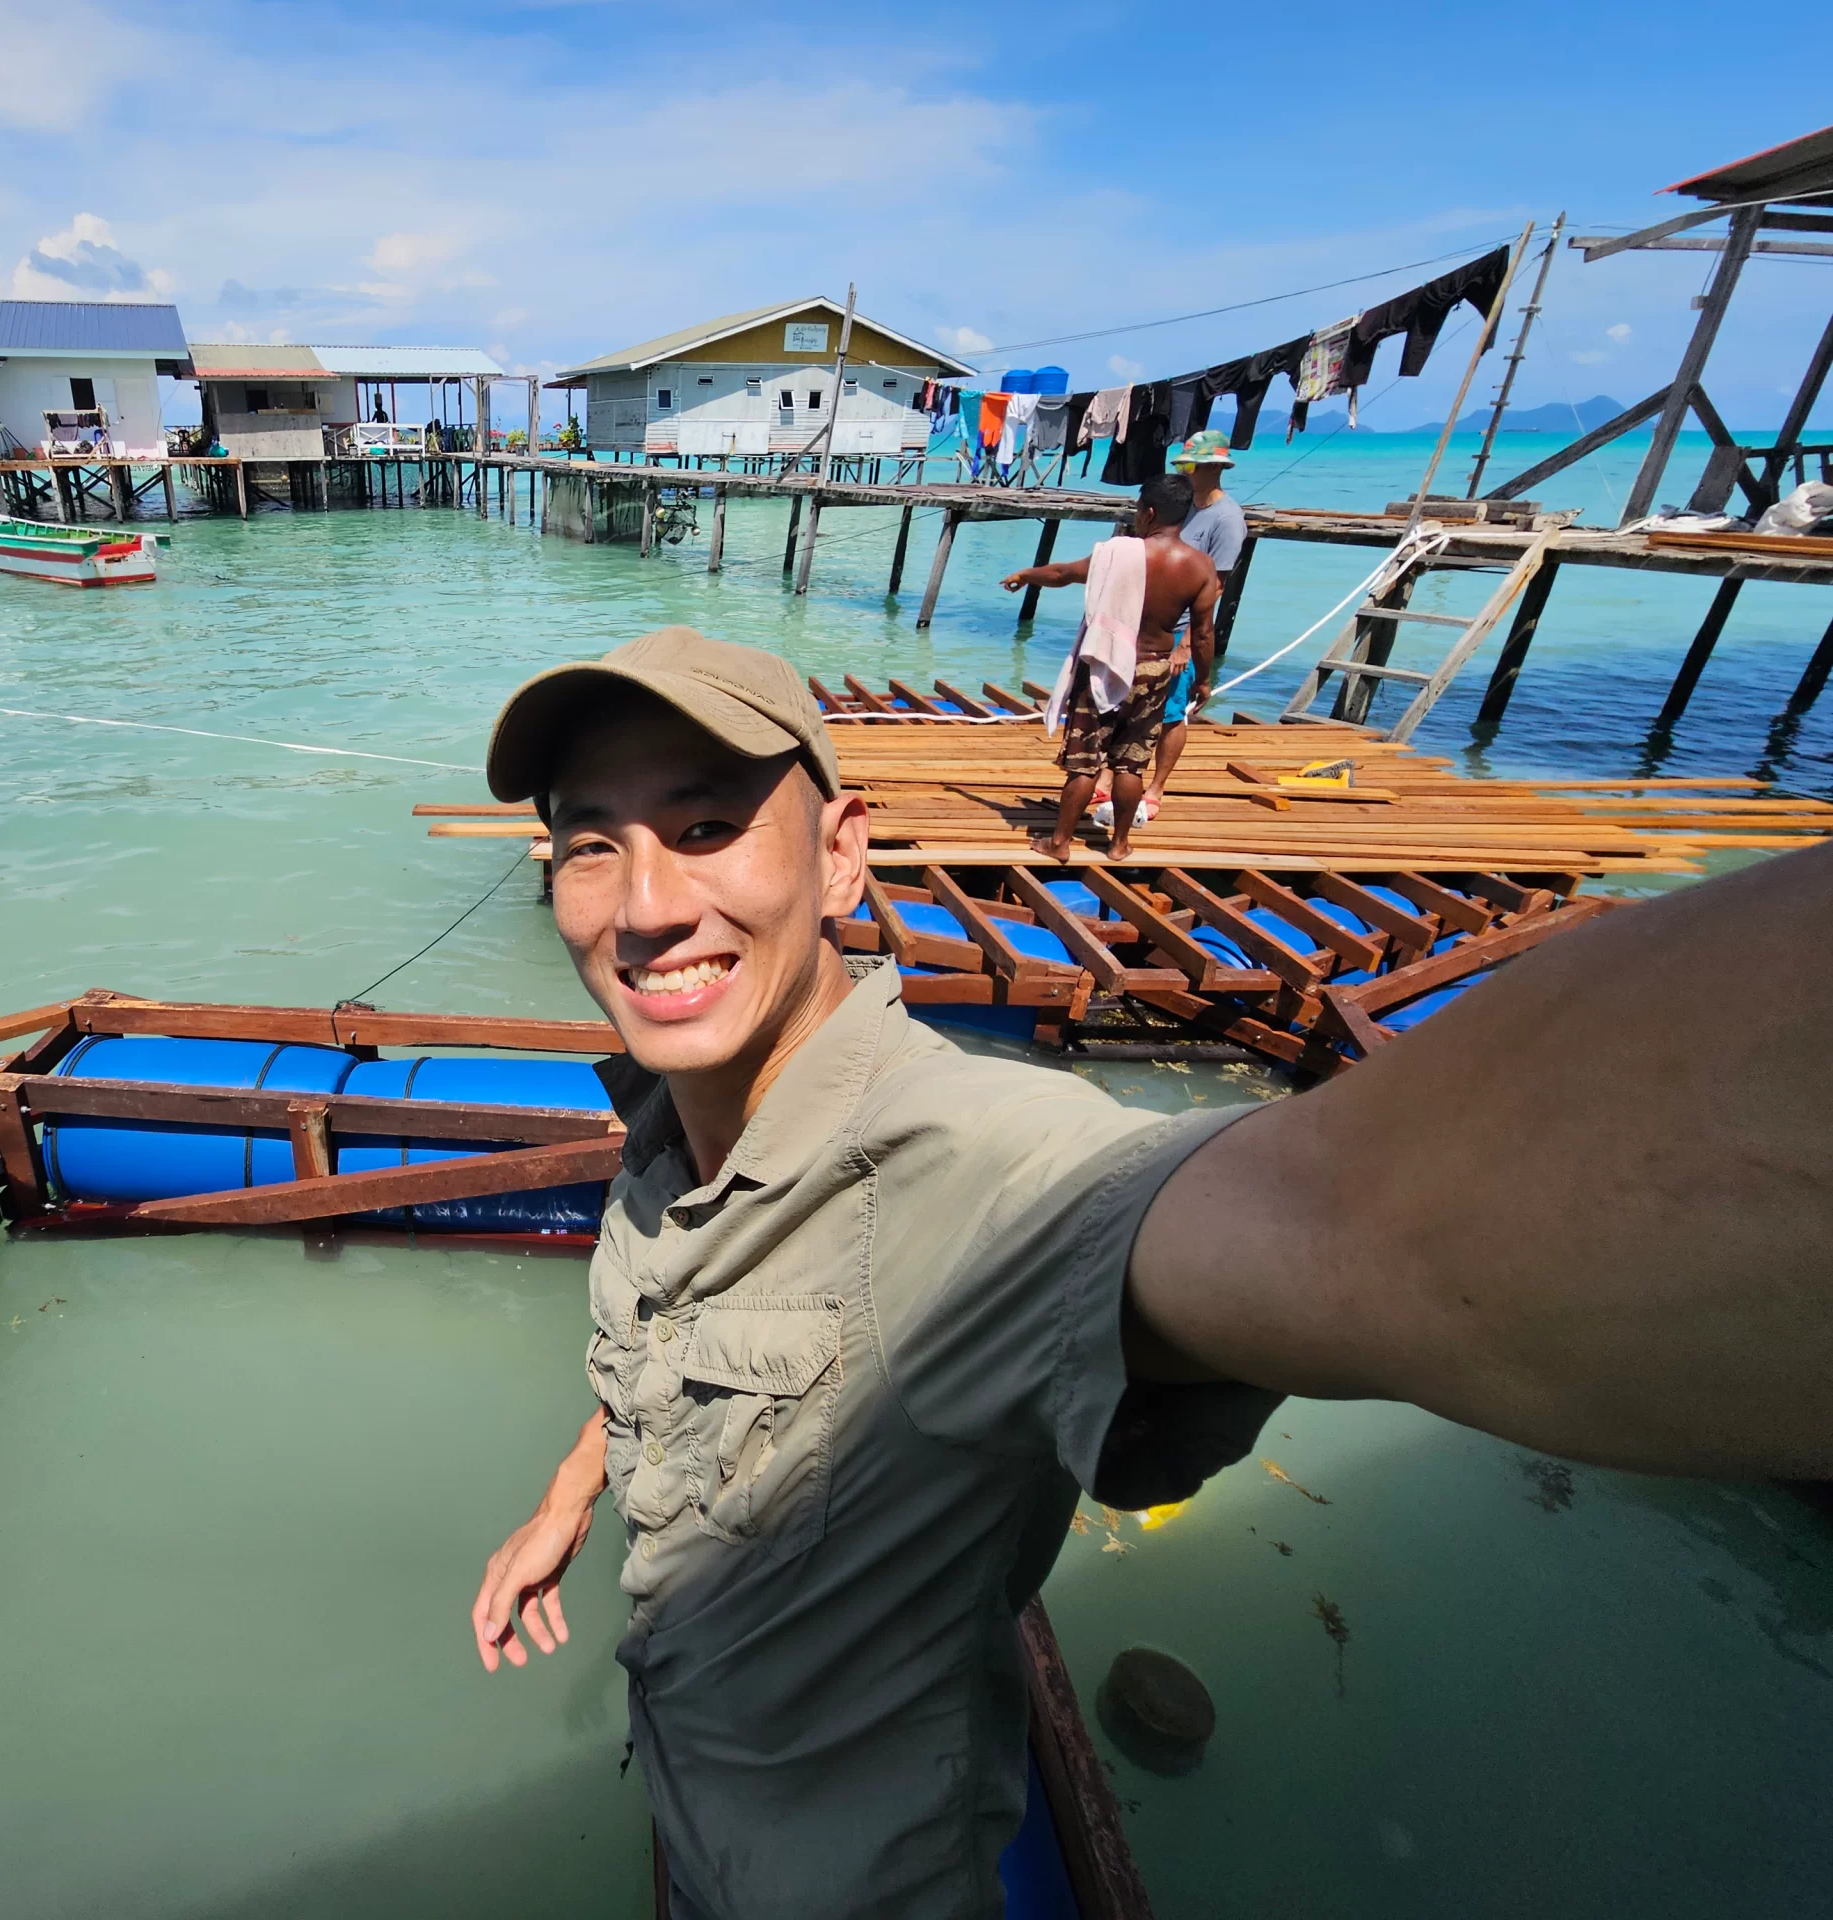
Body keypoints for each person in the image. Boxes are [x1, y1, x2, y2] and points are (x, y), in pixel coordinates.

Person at [465, 623, 1832, 1920]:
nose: (645, 906)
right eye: (594, 844)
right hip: (699, 1788)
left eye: (706, 829)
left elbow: (1345, 1219)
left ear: (839, 858)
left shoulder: (972, 1170)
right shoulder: (666, 1131)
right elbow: (689, 1324)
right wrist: (570, 1497)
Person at [999, 475, 1217, 861]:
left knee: (1084, 762)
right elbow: (1202, 635)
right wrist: (1202, 680)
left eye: (1137, 510)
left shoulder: (1119, 553)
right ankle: (1119, 844)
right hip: (1155, 670)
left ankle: (1061, 842)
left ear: (1148, 513)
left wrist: (1022, 575)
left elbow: (1062, 574)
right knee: (1131, 763)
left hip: (1106, 665)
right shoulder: (1201, 567)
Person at [1141, 427, 1248, 814]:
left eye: (1190, 465)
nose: (1184, 471)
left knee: (1171, 713)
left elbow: (1214, 589)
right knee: (1127, 706)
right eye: (1182, 465)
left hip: (1181, 630)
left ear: (1212, 468)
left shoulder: (1227, 519)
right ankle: (1113, 774)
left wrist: (1186, 645)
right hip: (1149, 627)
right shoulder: (1184, 507)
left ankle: (1156, 787)